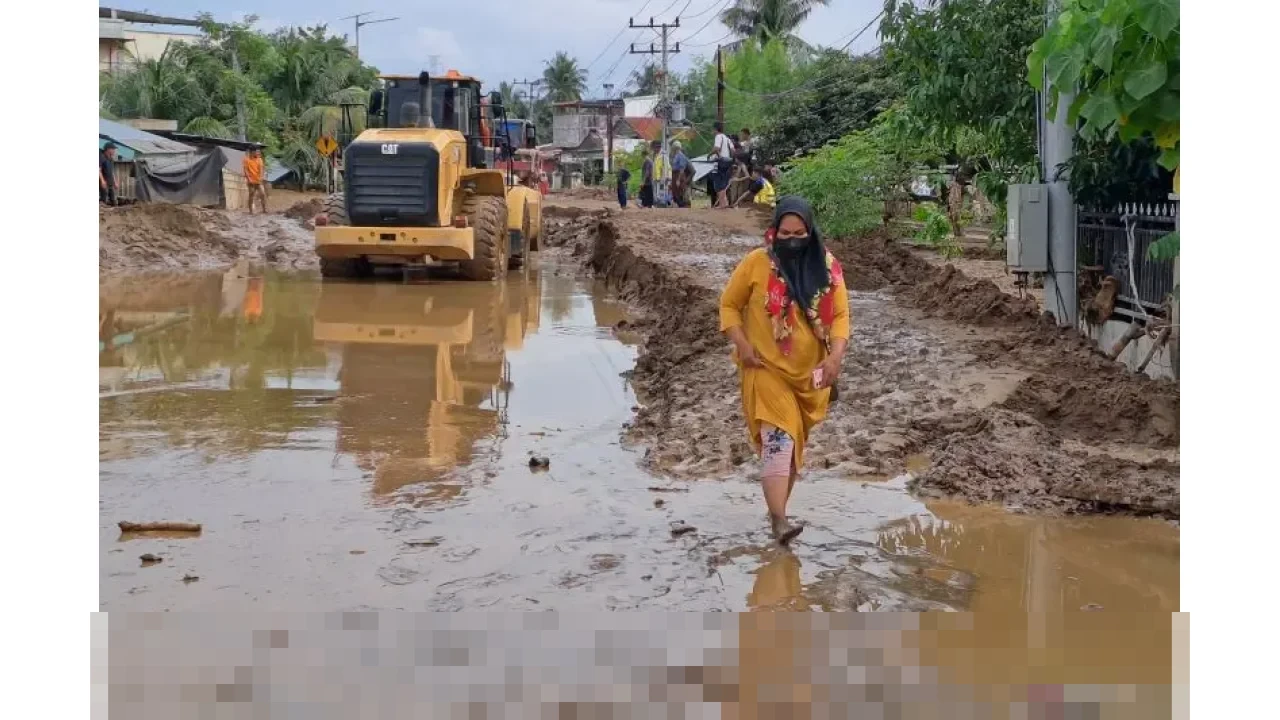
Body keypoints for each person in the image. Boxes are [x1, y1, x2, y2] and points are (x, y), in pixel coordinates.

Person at [718, 196, 850, 544]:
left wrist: (835, 356)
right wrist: (743, 347)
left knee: (790, 449)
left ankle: (778, 512)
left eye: (799, 233)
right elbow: (729, 306)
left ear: (810, 231)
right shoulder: (756, 263)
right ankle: (779, 521)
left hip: (808, 378)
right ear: (774, 231)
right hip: (764, 369)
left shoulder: (828, 267)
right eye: (785, 233)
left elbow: (839, 317)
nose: (792, 240)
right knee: (779, 440)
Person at [709, 121, 734, 208]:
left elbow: (716, 148)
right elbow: (733, 150)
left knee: (718, 183)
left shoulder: (718, 137)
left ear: (715, 129)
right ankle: (725, 202)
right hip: (728, 162)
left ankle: (722, 203)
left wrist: (709, 154)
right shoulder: (727, 138)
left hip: (720, 162)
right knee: (724, 182)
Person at [243, 147, 267, 215]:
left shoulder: (259, 160)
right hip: (251, 181)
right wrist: (249, 179)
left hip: (258, 180)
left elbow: (261, 169)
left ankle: (264, 209)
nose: (257, 153)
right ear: (251, 152)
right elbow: (246, 170)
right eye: (256, 152)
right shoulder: (246, 160)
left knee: (262, 194)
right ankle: (251, 211)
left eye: (257, 152)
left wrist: (261, 177)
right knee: (251, 194)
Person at [670, 140, 691, 208]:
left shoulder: (681, 156)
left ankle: (683, 206)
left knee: (679, 192)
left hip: (678, 175)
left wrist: (678, 179)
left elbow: (682, 169)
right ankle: (680, 206)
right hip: (675, 174)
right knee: (675, 192)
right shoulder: (676, 156)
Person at [639, 141, 658, 209]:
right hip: (649, 180)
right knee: (648, 193)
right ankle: (647, 205)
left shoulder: (647, 161)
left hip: (647, 181)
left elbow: (647, 172)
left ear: (643, 155)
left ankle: (646, 205)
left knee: (646, 193)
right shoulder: (649, 161)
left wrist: (643, 181)